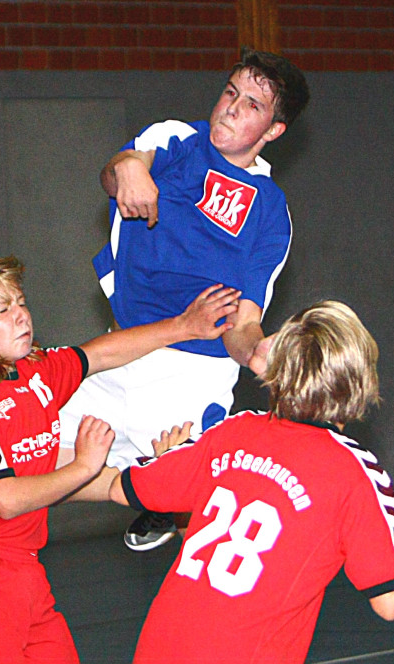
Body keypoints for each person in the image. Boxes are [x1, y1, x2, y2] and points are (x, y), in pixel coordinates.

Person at [90, 301, 394, 664]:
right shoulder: (354, 472)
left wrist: (167, 458)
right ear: (360, 382)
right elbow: (391, 601)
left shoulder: (233, 431)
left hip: (160, 649)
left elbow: (121, 489)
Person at [0, 255, 241, 664]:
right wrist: (83, 466)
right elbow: (7, 498)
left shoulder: (36, 373)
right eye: (3, 309)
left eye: (21, 302)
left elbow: (99, 356)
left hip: (27, 573)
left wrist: (183, 327)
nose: (21, 315)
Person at [58, 46, 311, 551]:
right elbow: (116, 173)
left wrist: (256, 352)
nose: (231, 108)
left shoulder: (270, 213)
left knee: (201, 507)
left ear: (273, 130)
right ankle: (146, 492)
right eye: (230, 93)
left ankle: (172, 492)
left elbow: (244, 321)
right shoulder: (178, 138)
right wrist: (128, 167)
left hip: (190, 372)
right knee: (28, 461)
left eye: (252, 105)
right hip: (123, 347)